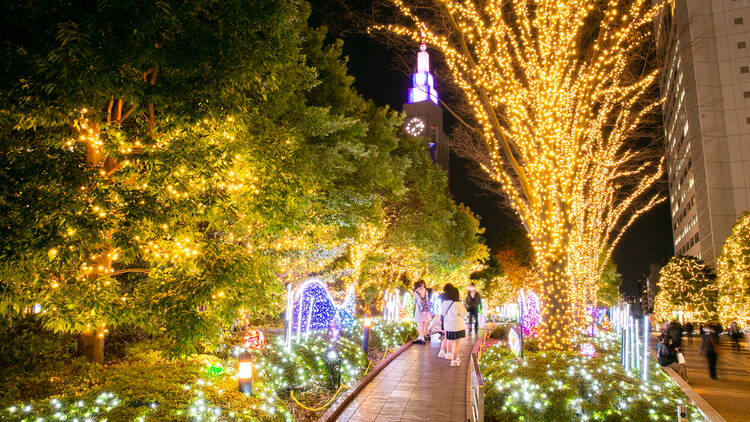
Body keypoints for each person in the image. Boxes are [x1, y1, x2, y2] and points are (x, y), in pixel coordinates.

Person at [441, 285, 467, 367]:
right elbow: (464, 314)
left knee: (451, 341)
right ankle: (454, 360)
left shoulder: (444, 303)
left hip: (448, 326)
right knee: (456, 344)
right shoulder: (458, 304)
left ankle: (454, 356)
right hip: (457, 326)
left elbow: (443, 313)